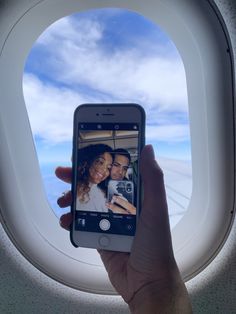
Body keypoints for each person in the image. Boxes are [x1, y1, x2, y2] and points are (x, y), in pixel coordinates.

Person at [56, 145, 192, 313]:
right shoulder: (97, 188)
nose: (118, 172)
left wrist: (133, 213)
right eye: (114, 165)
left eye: (124, 167)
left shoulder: (130, 187)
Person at [75, 143, 113, 212]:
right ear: (88, 160)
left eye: (108, 168)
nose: (105, 170)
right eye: (101, 162)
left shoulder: (101, 193)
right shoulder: (73, 187)